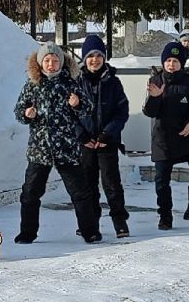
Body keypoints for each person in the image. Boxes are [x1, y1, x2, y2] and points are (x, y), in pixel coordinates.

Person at [13, 42, 101, 244]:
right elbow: (18, 111)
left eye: (54, 60)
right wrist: (27, 114)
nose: (51, 64)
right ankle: (27, 232)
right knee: (30, 193)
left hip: (66, 149)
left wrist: (77, 104)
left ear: (61, 62)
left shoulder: (70, 83)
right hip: (39, 150)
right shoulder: (32, 85)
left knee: (80, 193)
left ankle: (90, 231)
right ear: (40, 63)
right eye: (47, 60)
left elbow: (87, 108)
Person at [144, 40, 189, 229]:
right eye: (168, 60)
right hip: (163, 140)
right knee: (161, 182)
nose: (171, 64)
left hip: (188, 137)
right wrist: (155, 98)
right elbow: (149, 112)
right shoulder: (154, 82)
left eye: (176, 61)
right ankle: (165, 216)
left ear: (182, 63)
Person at [75, 33, 131, 239]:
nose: (95, 59)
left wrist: (108, 134)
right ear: (84, 58)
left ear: (104, 57)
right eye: (90, 55)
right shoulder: (76, 82)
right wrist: (82, 136)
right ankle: (90, 223)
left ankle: (119, 220)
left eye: (99, 55)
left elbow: (121, 112)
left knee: (112, 183)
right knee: (88, 185)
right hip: (86, 144)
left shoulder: (114, 82)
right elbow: (70, 114)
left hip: (107, 141)